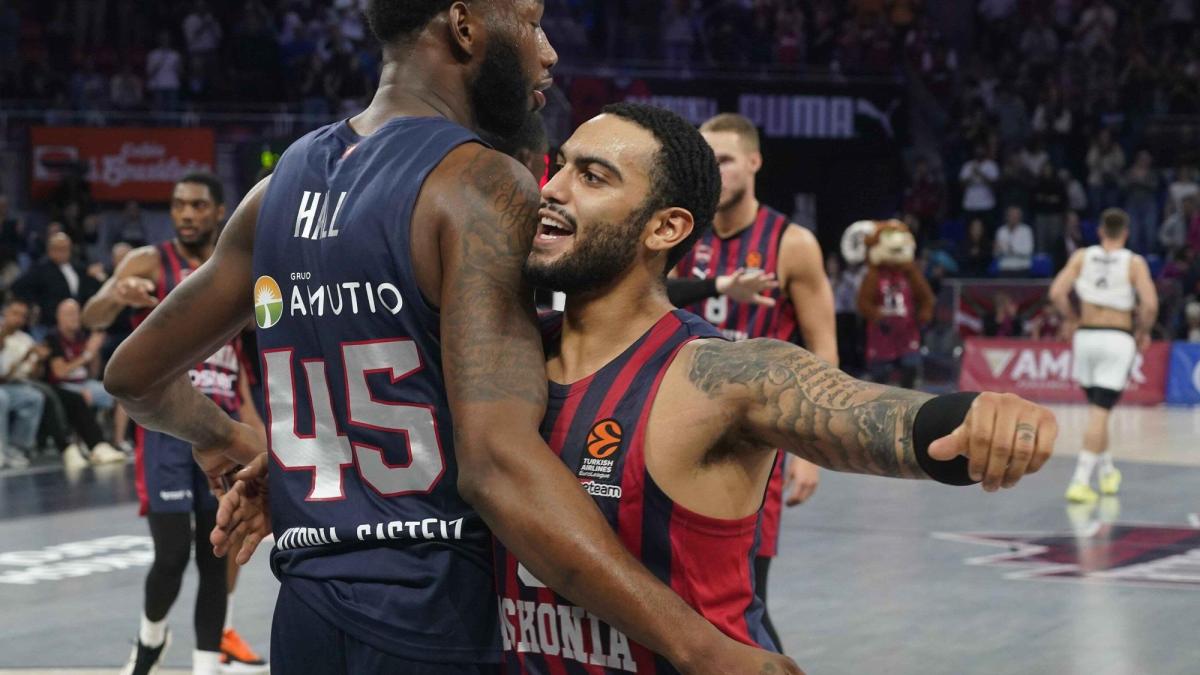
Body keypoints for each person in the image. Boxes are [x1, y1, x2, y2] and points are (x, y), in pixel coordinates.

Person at [104, 2, 799, 674]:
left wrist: (220, 436)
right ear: (465, 26)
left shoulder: (276, 187)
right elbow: (497, 465)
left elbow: (134, 376)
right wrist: (701, 646)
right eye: (529, 21)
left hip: (307, 611)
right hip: (434, 614)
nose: (548, 49)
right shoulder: (479, 183)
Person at [499, 103, 1056, 673]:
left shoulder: (719, 378)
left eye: (592, 176)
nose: (552, 188)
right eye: (558, 165)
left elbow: (872, 414)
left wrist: (977, 418)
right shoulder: (500, 362)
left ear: (665, 227)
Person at [82, 173, 267, 675]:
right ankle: (150, 639)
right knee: (170, 556)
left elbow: (243, 381)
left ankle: (207, 665)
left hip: (221, 422)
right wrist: (118, 294)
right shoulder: (147, 260)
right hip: (167, 430)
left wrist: (262, 443)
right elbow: (91, 316)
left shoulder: (235, 268)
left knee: (216, 551)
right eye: (179, 205)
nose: (186, 213)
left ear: (218, 210)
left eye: (197, 205)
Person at [669, 111, 835, 650]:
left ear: (754, 162)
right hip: (675, 427)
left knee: (742, 601)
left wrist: (811, 449)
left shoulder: (792, 242)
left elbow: (822, 347)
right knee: (675, 587)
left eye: (725, 160)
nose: (713, 173)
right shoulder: (679, 232)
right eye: (705, 161)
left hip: (752, 445)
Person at [1049, 208, 1159, 503]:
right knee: (1100, 412)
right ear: (1125, 233)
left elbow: (1057, 292)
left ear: (1100, 232)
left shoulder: (1082, 256)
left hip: (1085, 337)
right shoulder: (1134, 262)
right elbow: (1149, 304)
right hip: (1116, 337)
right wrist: (1143, 331)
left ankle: (1107, 471)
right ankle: (1080, 480)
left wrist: (1070, 318)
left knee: (1099, 410)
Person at [11, 232, 101, 330]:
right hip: (50, 324)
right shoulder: (40, 269)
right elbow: (17, 286)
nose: (63, 252)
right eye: (59, 249)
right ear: (50, 250)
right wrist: (35, 304)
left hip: (76, 322)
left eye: (66, 248)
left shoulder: (77, 268)